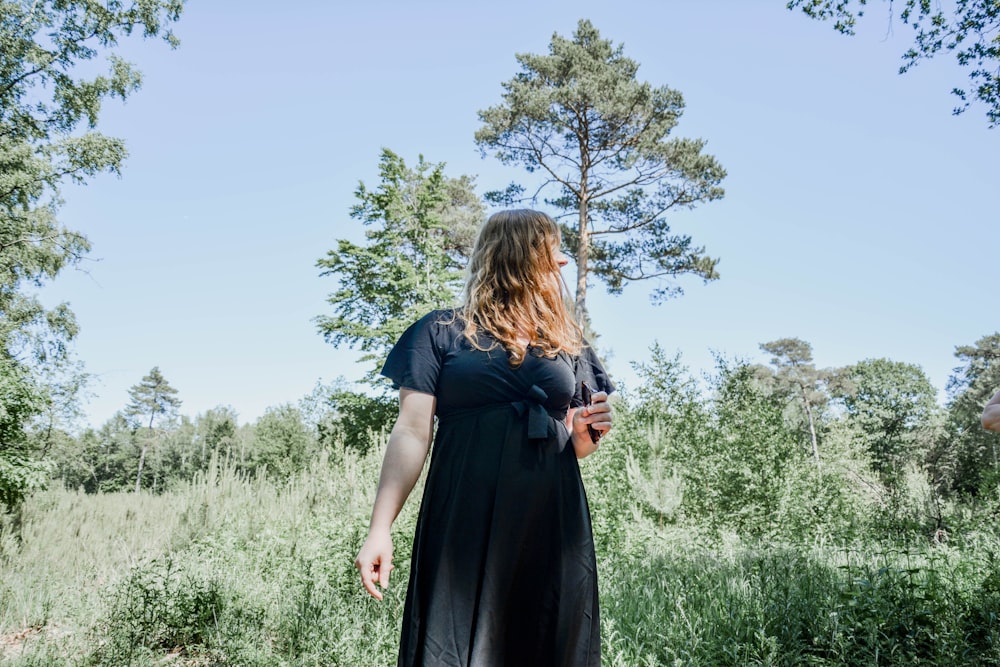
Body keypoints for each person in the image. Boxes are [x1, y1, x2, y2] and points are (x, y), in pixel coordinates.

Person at [354, 209, 614, 666]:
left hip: (549, 521)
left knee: (546, 640)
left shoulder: (566, 342)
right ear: (521, 254)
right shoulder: (439, 332)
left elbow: (579, 444)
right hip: (464, 521)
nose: (563, 263)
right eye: (552, 250)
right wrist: (380, 529)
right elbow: (412, 432)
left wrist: (585, 431)